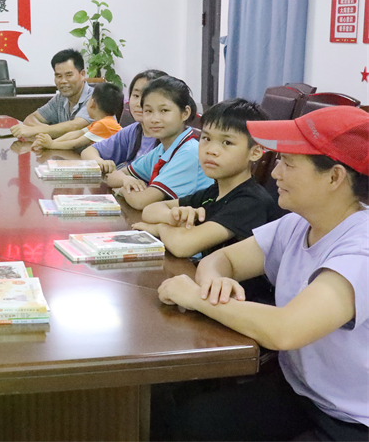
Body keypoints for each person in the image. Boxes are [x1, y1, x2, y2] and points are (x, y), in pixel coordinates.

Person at [156, 106, 369, 441]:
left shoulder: (360, 249)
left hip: (352, 419)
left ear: (334, 177)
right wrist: (214, 282)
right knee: (187, 420)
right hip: (300, 391)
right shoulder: (299, 223)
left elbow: (286, 330)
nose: (275, 173)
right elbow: (224, 259)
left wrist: (197, 297)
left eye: (289, 163)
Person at [133, 98, 280, 258]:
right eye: (206, 138)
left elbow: (182, 245)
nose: (211, 150)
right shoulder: (214, 192)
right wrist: (173, 217)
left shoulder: (251, 202)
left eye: (227, 142)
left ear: (255, 152)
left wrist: (159, 228)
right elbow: (150, 210)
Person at [106, 76, 212, 210]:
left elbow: (141, 201)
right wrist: (126, 180)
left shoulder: (190, 153)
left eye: (164, 111)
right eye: (148, 111)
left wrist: (122, 190)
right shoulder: (163, 149)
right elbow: (112, 177)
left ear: (185, 113)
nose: (154, 119)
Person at [81, 69, 167, 174]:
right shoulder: (133, 131)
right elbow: (88, 151)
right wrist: (100, 162)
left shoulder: (169, 138)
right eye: (136, 95)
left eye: (147, 96)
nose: (139, 103)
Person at [9, 49, 94, 140]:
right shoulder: (60, 99)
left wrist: (35, 130)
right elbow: (30, 119)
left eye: (69, 75)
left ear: (82, 74)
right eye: (58, 76)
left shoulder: (95, 98)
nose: (63, 81)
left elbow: (76, 126)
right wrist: (49, 131)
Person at [31, 82, 124, 151]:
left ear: (93, 102)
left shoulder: (104, 124)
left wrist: (51, 145)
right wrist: (47, 143)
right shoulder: (100, 122)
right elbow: (75, 134)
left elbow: (75, 143)